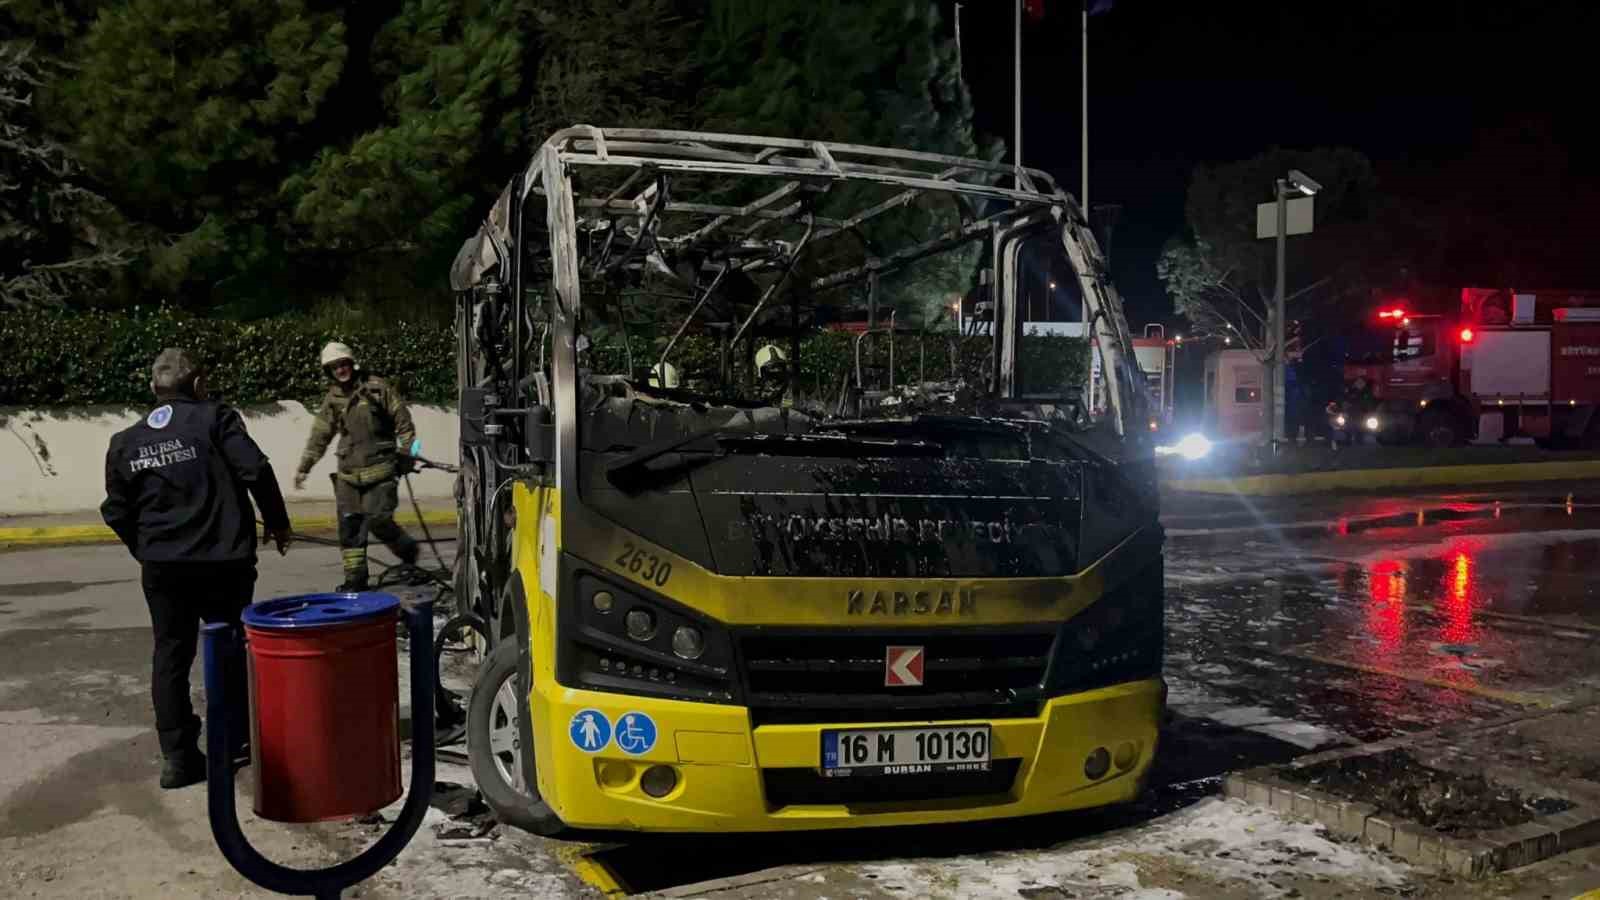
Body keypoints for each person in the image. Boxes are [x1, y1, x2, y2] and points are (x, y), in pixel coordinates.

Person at [101, 348, 292, 789]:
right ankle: (234, 741)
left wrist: (147, 549)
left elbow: (116, 511)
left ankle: (179, 757)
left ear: (154, 390)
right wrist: (278, 522)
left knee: (171, 653)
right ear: (199, 385)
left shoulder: (125, 443)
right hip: (222, 561)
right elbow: (255, 469)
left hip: (164, 567)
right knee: (226, 646)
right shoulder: (215, 418)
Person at [294, 341, 422, 591]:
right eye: (334, 367)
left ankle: (408, 553)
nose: (340, 370)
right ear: (329, 372)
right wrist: (304, 467)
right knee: (350, 528)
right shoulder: (333, 399)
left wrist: (409, 454)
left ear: (352, 363)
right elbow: (320, 435)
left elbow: (406, 426)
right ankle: (355, 580)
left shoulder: (377, 389)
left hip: (381, 472)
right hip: (348, 477)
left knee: (378, 520)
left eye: (343, 364)